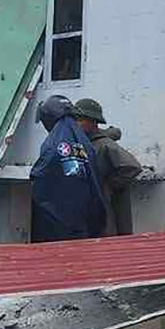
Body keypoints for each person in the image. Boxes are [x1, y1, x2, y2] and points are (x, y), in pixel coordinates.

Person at [29, 95, 107, 242]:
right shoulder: (83, 141)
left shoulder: (54, 142)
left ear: (49, 117)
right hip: (83, 220)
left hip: (56, 225)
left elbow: (41, 176)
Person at [73, 99, 143, 236]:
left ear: (93, 121)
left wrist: (108, 185)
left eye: (80, 119)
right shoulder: (83, 144)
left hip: (108, 208)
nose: (76, 123)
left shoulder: (105, 145)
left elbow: (132, 166)